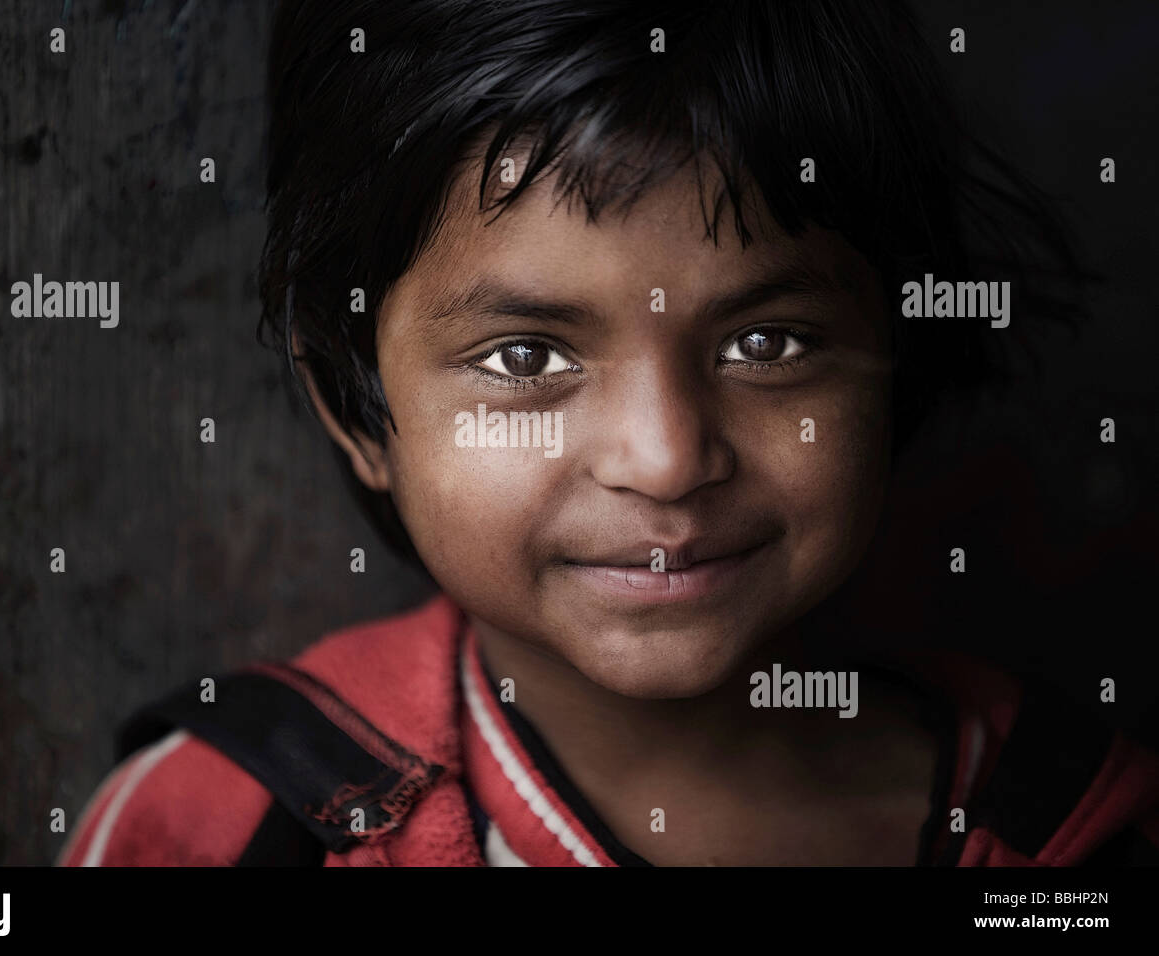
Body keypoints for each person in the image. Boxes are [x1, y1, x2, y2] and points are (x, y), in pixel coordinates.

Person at [58, 0, 1159, 867]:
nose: (667, 457)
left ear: (894, 352)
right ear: (356, 404)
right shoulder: (232, 821)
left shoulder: (1068, 825)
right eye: (527, 357)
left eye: (769, 342)